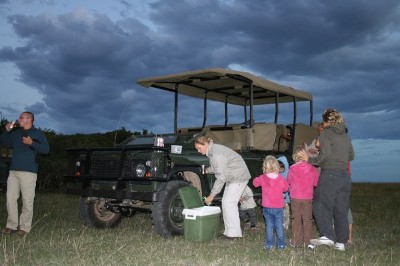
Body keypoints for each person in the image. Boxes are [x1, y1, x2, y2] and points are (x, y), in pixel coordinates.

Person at [299, 108, 354, 251]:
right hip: (344, 175)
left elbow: (324, 157)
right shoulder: (345, 136)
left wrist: (309, 159)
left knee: (320, 204)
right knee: (340, 209)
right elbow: (351, 156)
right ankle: (341, 242)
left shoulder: (326, 134)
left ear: (327, 121)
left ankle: (327, 236)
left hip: (330, 174)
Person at [0, 111, 49, 236]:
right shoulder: (16, 134)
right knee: (10, 198)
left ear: (29, 119)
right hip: (13, 171)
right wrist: (6, 130)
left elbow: (46, 150)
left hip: (29, 172)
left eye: (21, 118)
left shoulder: (38, 133)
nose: (19, 119)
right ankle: (11, 225)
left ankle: (24, 227)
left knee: (27, 201)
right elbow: (4, 142)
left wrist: (31, 143)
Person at [194, 136, 250, 239]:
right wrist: (207, 170)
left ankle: (234, 234)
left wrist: (212, 195)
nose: (198, 151)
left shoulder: (216, 153)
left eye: (199, 148)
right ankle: (228, 232)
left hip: (238, 176)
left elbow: (221, 177)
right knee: (226, 202)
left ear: (205, 144)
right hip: (232, 176)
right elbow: (218, 167)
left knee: (229, 203)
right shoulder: (212, 151)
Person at [253, 155, 289, 250]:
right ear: (277, 166)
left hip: (267, 207)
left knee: (269, 226)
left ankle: (269, 244)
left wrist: (260, 178)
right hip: (278, 207)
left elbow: (255, 183)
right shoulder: (280, 179)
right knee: (279, 226)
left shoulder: (262, 177)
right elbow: (286, 188)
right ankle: (281, 245)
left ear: (264, 167)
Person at [287, 146, 320, 249]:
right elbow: (316, 183)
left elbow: (289, 182)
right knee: (307, 219)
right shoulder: (312, 168)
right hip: (307, 198)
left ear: (295, 157)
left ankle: (296, 241)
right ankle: (309, 242)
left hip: (295, 198)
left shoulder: (292, 168)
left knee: (295, 219)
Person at [277, 156, 290, 231]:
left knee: (286, 213)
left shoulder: (288, 174)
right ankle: (279, 225)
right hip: (277, 200)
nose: (280, 170)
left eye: (282, 168)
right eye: (279, 168)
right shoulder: (276, 175)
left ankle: (286, 226)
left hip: (285, 199)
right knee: (279, 213)